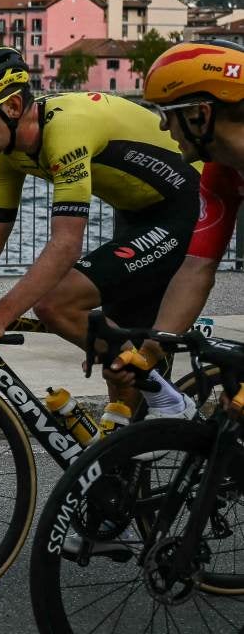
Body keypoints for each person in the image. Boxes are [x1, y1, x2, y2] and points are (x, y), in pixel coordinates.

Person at [0, 46, 201, 419]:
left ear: (14, 108)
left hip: (186, 206)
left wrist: (1, 316)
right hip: (136, 215)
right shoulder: (7, 152)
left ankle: (170, 400)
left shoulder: (65, 132)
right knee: (116, 357)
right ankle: (124, 464)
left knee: (58, 304)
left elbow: (66, 244)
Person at [104, 40, 244, 385]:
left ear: (201, 115)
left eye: (168, 113)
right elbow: (197, 268)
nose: (164, 128)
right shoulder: (219, 172)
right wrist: (149, 352)